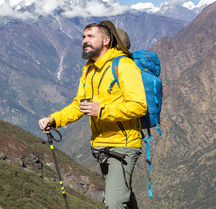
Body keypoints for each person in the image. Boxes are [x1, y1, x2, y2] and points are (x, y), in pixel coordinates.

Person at [38, 20, 147, 209]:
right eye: (83, 37)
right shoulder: (89, 71)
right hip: (101, 147)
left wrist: (102, 111)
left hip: (123, 145)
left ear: (106, 40)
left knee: (114, 203)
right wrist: (54, 119)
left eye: (90, 36)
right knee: (123, 199)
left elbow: (139, 106)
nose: (84, 41)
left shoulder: (123, 66)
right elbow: (78, 106)